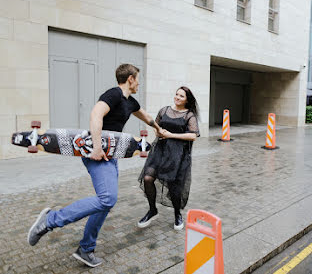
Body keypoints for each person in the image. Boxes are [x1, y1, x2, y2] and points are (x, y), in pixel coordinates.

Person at [27, 64, 162, 268]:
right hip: (96, 152)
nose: (139, 83)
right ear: (131, 79)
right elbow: (95, 115)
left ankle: (86, 249)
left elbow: (146, 116)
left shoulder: (129, 102)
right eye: (138, 79)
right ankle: (50, 220)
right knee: (108, 198)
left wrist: (158, 128)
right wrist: (97, 148)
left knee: (105, 202)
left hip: (110, 154)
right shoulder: (113, 94)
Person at [137, 86, 199, 231]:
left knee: (174, 187)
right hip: (159, 150)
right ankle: (152, 210)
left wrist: (171, 135)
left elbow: (193, 135)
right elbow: (156, 125)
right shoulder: (164, 110)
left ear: (187, 100)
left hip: (177, 155)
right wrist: (158, 132)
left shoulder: (189, 115)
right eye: (176, 94)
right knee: (147, 178)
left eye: (181, 96)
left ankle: (177, 213)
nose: (177, 97)